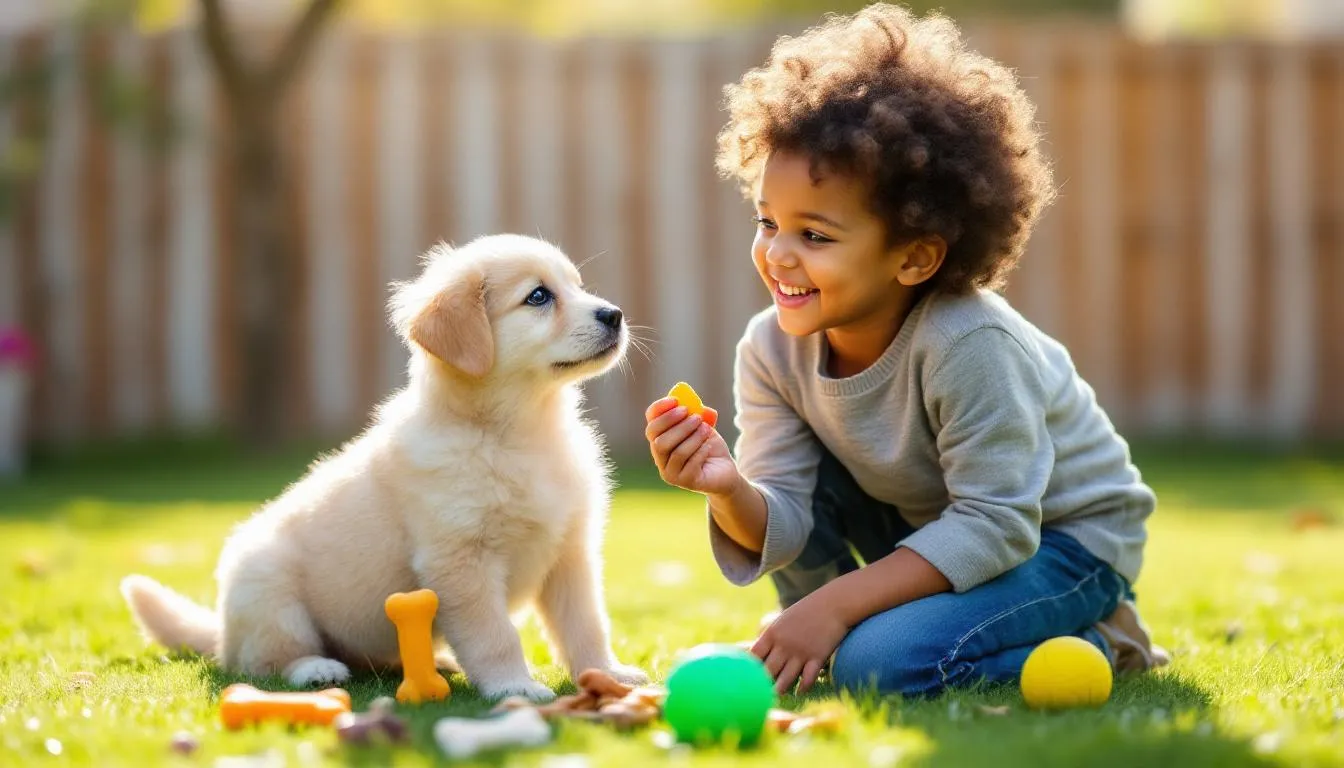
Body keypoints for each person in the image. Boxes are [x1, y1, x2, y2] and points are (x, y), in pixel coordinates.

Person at [644, 3, 1168, 696]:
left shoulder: (969, 342)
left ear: (915, 257)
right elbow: (790, 515)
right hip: (930, 520)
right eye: (767, 221)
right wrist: (727, 488)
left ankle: (1102, 638)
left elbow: (998, 523)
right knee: (853, 629)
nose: (776, 254)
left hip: (1063, 541)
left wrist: (830, 606)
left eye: (816, 236)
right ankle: (835, 638)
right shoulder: (770, 348)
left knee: (879, 667)